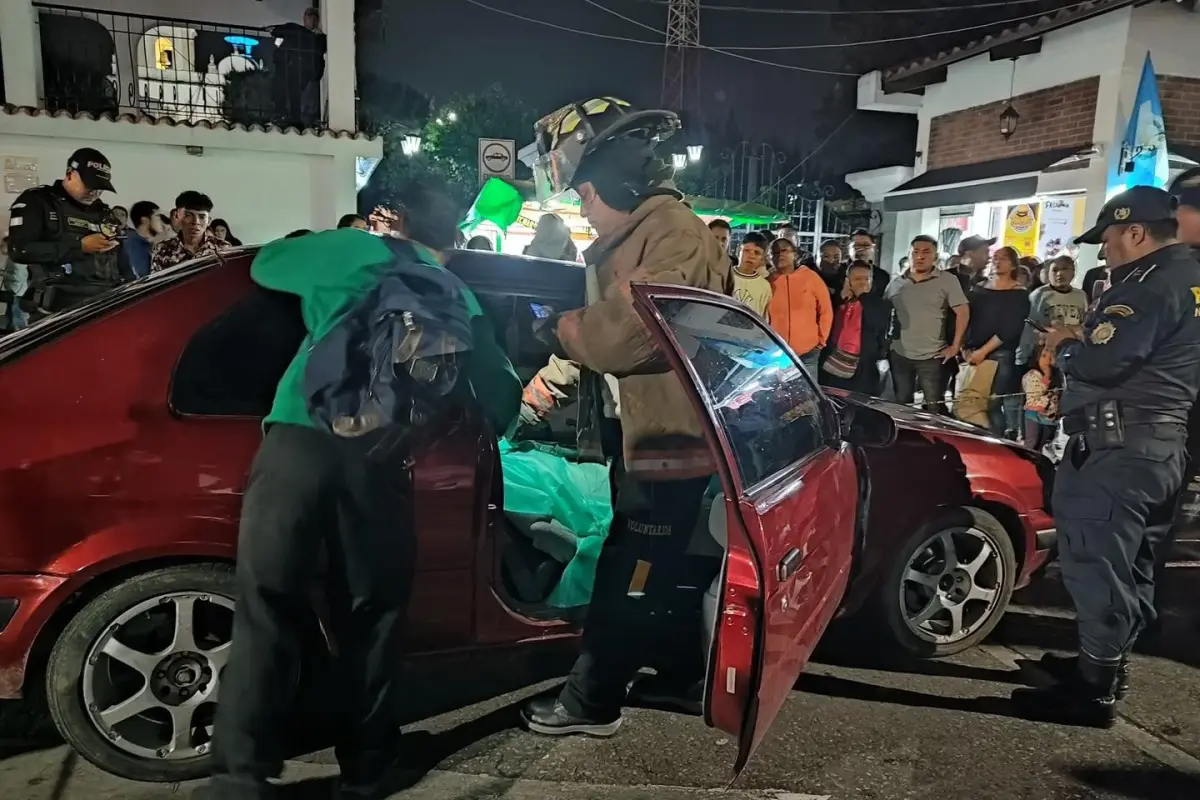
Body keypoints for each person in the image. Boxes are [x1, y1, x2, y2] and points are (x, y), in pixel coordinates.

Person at [197, 177, 521, 800]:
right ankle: (367, 769)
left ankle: (239, 775)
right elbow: (499, 397)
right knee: (370, 619)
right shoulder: (457, 293)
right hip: (376, 463)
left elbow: (264, 263)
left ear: (393, 218)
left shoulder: (345, 250)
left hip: (295, 445)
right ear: (452, 236)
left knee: (267, 610)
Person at [517, 97, 730, 738]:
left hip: (672, 442)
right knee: (666, 567)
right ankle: (683, 675)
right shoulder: (635, 237)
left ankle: (592, 701)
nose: (581, 207)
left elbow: (626, 336)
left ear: (611, 180)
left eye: (583, 193)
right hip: (647, 438)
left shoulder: (672, 233)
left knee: (631, 570)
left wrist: (554, 330)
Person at [1011, 186, 1200, 727]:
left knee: (1096, 566)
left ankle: (1093, 693)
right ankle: (1105, 666)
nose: (1105, 251)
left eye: (1110, 239)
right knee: (1133, 568)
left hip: (1118, 450)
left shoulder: (1148, 284)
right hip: (1159, 447)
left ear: (1136, 233)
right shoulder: (1189, 277)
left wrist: (1067, 344)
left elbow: (1104, 362)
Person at [6, 147, 123, 313]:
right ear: (70, 174)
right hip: (54, 311)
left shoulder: (102, 211)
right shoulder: (38, 201)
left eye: (100, 188)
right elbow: (19, 250)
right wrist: (79, 247)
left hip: (101, 306)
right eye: (89, 185)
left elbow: (118, 260)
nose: (94, 193)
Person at [886, 235, 969, 412]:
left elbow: (962, 312)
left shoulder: (947, 280)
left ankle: (934, 439)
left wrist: (955, 346)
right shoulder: (896, 283)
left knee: (934, 406)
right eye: (915, 252)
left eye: (926, 252)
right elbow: (883, 312)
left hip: (933, 355)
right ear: (909, 255)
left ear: (935, 256)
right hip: (900, 353)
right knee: (902, 404)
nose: (920, 257)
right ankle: (906, 439)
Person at [960, 246, 1029, 437]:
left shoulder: (1019, 294)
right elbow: (968, 317)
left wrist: (983, 351)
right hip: (971, 351)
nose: (998, 262)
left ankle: (997, 442)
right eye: (995, 258)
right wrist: (964, 346)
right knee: (970, 401)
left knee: (991, 403)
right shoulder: (979, 287)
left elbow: (1010, 328)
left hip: (999, 354)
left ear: (1013, 264)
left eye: (1003, 259)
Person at [819, 260, 892, 394]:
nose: (863, 282)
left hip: (864, 366)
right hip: (835, 364)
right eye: (857, 279)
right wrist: (841, 298)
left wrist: (863, 297)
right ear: (848, 281)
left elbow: (876, 323)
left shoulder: (880, 304)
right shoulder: (836, 301)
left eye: (867, 278)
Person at [767, 234, 833, 374]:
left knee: (808, 396)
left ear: (795, 254)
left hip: (807, 353)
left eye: (784, 250)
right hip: (776, 355)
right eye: (775, 252)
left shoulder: (811, 277)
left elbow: (826, 310)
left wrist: (820, 342)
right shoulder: (767, 282)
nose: (780, 255)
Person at [270, 7, 327, 128]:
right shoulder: (299, 33)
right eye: (306, 18)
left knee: (306, 99)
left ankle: (303, 120)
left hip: (307, 73)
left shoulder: (315, 37)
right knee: (295, 95)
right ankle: (294, 118)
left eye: (309, 18)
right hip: (297, 72)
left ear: (314, 19)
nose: (307, 21)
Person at [152, 191, 226, 272]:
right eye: (188, 215)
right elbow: (158, 283)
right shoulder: (162, 250)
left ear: (209, 221)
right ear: (177, 216)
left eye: (202, 217)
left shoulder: (222, 248)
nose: (196, 222)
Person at [1021, 338, 1061, 452]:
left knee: (1044, 446)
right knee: (1031, 444)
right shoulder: (1032, 375)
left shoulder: (1056, 375)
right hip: (1034, 415)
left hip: (1049, 418)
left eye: (1050, 355)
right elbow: (1033, 400)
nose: (1047, 359)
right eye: (1044, 355)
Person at [731, 231, 772, 317]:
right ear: (739, 250)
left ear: (762, 257)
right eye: (747, 250)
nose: (751, 256)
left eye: (757, 253)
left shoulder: (764, 287)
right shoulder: (725, 276)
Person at [120, 200, 163, 279]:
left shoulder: (141, 244)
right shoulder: (133, 245)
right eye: (157, 216)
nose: (161, 221)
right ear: (145, 220)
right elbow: (142, 277)